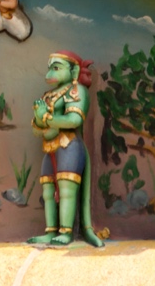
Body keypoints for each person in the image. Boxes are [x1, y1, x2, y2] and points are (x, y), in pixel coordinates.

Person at [27, 51, 103, 247]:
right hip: (50, 146)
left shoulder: (76, 91)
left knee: (66, 189)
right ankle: (50, 230)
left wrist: (45, 118)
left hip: (69, 145)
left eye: (57, 67)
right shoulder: (49, 95)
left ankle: (66, 231)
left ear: (74, 70)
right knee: (48, 189)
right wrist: (39, 117)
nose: (50, 72)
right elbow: (37, 130)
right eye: (50, 67)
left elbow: (74, 120)